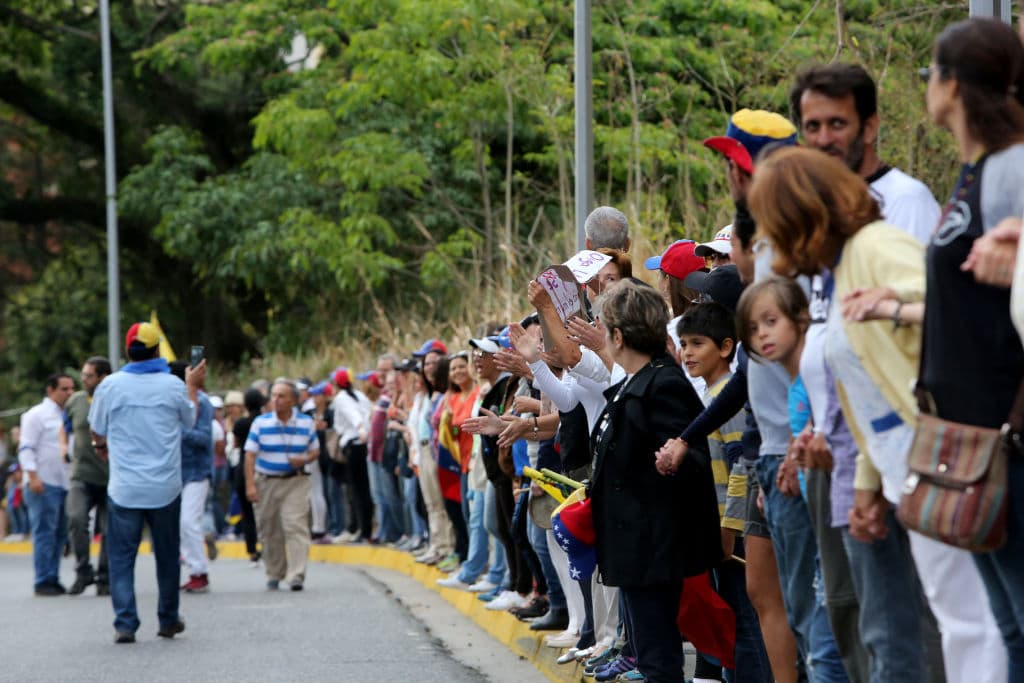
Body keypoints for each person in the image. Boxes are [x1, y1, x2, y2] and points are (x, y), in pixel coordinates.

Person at [749, 145, 1007, 683]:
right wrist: (868, 484)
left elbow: (953, 314)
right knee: (947, 624)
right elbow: (869, 392)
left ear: (799, 217)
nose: (766, 245)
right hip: (902, 469)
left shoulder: (875, 245)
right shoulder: (839, 270)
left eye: (771, 227)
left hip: (942, 462)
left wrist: (893, 306)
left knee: (973, 624)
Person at [919, 17, 1024, 681]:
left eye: (931, 73)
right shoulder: (974, 169)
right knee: (1010, 626)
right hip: (968, 440)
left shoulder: (1012, 166)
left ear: (952, 84)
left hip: (1007, 435)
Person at [587, 279, 720, 682]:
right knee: (649, 656)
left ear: (618, 336)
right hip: (634, 543)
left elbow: (692, 456)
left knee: (659, 660)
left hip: (654, 544)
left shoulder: (664, 383)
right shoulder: (637, 380)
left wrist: (672, 461)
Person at [88, 322, 203, 642]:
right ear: (156, 351)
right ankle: (168, 619)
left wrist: (101, 446)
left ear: (128, 351)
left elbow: (96, 427)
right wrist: (193, 386)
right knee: (167, 556)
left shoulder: (110, 385)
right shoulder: (172, 385)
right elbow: (190, 420)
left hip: (125, 488)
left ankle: (125, 623)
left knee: (121, 559)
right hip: (165, 487)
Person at [677, 302, 773, 682]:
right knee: (731, 622)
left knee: (745, 622)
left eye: (697, 343)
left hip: (733, 533)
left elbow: (740, 468)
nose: (687, 353)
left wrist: (729, 528)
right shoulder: (709, 396)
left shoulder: (728, 402)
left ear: (726, 347)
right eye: (684, 344)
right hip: (719, 529)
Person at [789, 62, 941, 244]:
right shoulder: (805, 206)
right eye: (813, 127)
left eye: (837, 124)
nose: (824, 139)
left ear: (869, 128)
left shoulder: (906, 201)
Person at [244, 380, 319, 591]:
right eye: (274, 395)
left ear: (293, 400)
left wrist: (304, 459)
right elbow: (249, 455)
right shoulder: (260, 423)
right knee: (270, 529)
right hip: (266, 482)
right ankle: (275, 571)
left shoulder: (306, 423)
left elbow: (315, 451)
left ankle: (296, 575)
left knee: (295, 526)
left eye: (281, 396)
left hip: (296, 481)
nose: (276, 400)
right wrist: (250, 485)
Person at [19, 372, 74, 595]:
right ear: (51, 390)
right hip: (43, 482)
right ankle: (42, 580)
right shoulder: (36, 415)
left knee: (60, 534)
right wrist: (33, 477)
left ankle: (53, 577)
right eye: (64, 389)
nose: (70, 393)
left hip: (65, 483)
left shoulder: (69, 414)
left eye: (72, 388)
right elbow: (26, 448)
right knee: (44, 533)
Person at [64, 357, 112, 596]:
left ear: (103, 377)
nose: (83, 379)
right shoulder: (76, 401)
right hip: (81, 474)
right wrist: (63, 447)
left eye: (89, 376)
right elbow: (64, 427)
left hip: (111, 477)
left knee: (109, 529)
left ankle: (105, 577)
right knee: (76, 518)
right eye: (83, 375)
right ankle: (83, 571)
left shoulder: (115, 399)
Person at [231, 388, 266, 563]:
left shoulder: (240, 424)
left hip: (243, 469)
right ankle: (267, 545)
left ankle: (251, 549)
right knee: (265, 510)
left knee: (247, 512)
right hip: (262, 467)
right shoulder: (265, 422)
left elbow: (236, 444)